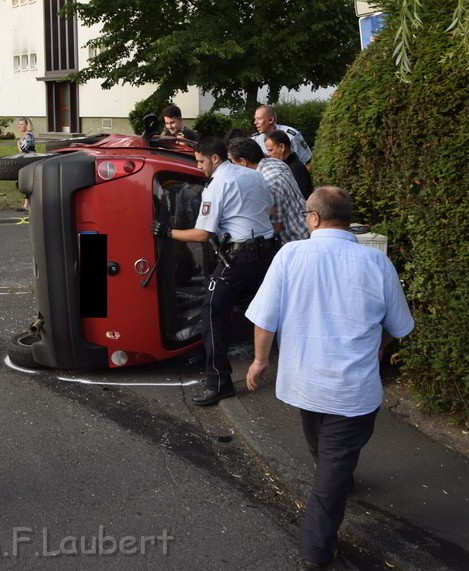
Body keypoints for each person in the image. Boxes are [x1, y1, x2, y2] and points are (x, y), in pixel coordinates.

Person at [245, 187, 415, 570]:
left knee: (325, 452)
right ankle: (316, 554)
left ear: (314, 218)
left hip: (304, 382)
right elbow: (397, 325)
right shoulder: (376, 263)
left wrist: (258, 361)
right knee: (331, 466)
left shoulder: (290, 255)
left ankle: (335, 488)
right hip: (352, 390)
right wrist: (378, 348)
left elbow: (265, 319)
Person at [151, 137, 277, 406]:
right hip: (267, 253)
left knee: (211, 311)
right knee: (261, 308)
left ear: (215, 158)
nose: (199, 167)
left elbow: (202, 234)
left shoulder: (217, 184)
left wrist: (167, 232)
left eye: (200, 161)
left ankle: (218, 382)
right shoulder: (252, 174)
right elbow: (269, 207)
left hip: (242, 256)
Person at [227, 137, 309, 243]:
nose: (233, 168)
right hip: (305, 226)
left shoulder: (267, 183)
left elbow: (275, 227)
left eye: (234, 163)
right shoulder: (275, 162)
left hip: (294, 239)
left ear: (243, 162)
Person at [266, 129, 313, 199]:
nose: (268, 154)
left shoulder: (296, 170)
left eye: (271, 150)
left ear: (282, 147)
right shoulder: (285, 166)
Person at [15, 117, 35, 212]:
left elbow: (23, 150)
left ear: (27, 125)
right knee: (24, 182)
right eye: (19, 124)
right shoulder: (26, 136)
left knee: (26, 183)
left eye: (21, 124)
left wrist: (18, 144)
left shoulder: (28, 136)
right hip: (26, 161)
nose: (20, 126)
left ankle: (28, 206)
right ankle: (26, 205)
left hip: (29, 162)